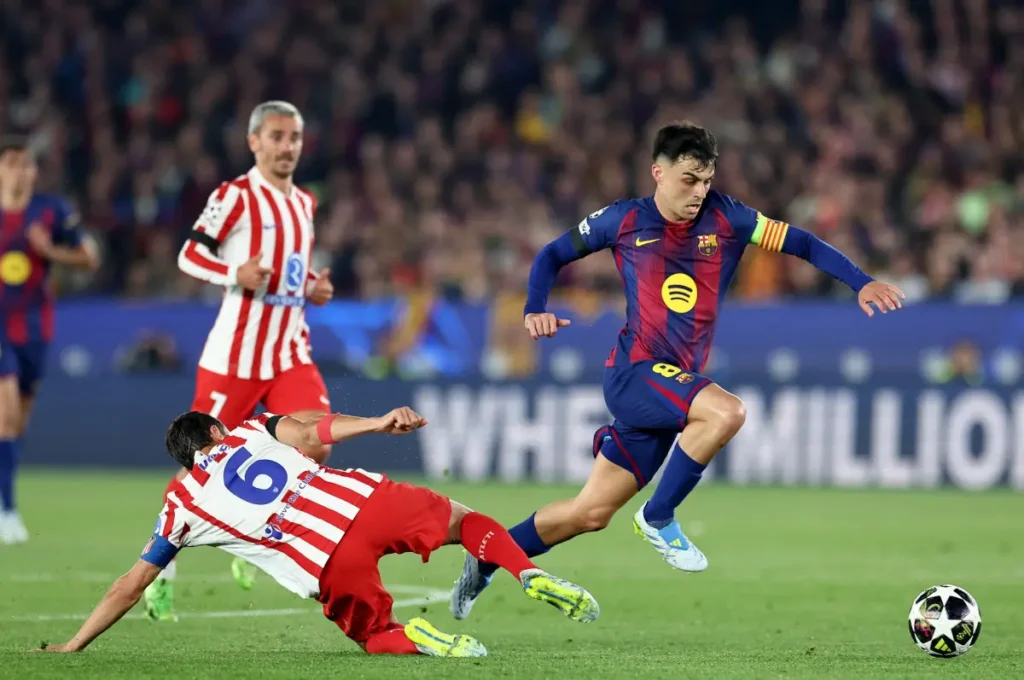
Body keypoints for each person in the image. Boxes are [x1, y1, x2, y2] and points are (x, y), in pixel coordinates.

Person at [450, 121, 906, 619]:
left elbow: (803, 243)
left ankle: (487, 555)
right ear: (658, 173)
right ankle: (658, 515)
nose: (699, 192)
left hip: (670, 388)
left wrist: (861, 282)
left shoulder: (729, 218)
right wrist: (534, 307)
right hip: (635, 372)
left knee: (590, 513)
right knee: (726, 412)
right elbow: (553, 254)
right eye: (689, 180)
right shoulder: (623, 220)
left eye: (706, 180)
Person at [33, 407, 599, 657]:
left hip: (324, 563)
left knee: (375, 636)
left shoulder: (179, 505)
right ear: (217, 431)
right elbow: (310, 433)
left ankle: (419, 638)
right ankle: (527, 571)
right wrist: (377, 422)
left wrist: (75, 642)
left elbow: (130, 585)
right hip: (364, 502)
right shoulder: (250, 431)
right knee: (467, 520)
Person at [153, 100, 336, 617]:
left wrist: (312, 287)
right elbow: (190, 254)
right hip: (235, 358)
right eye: (276, 136)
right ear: (254, 141)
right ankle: (160, 569)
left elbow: (290, 269)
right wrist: (233, 274)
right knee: (202, 465)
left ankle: (253, 541)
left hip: (290, 352)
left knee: (317, 443)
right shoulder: (234, 195)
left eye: (294, 137)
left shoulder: (305, 202)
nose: (287, 146)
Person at [0, 137, 99, 544]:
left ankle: (4, 494)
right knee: (6, 416)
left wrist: (51, 251)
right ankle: (7, 511)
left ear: (35, 171)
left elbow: (89, 257)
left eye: (26, 164)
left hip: (34, 329)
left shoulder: (51, 211)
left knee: (17, 423)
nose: (19, 171)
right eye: (11, 163)